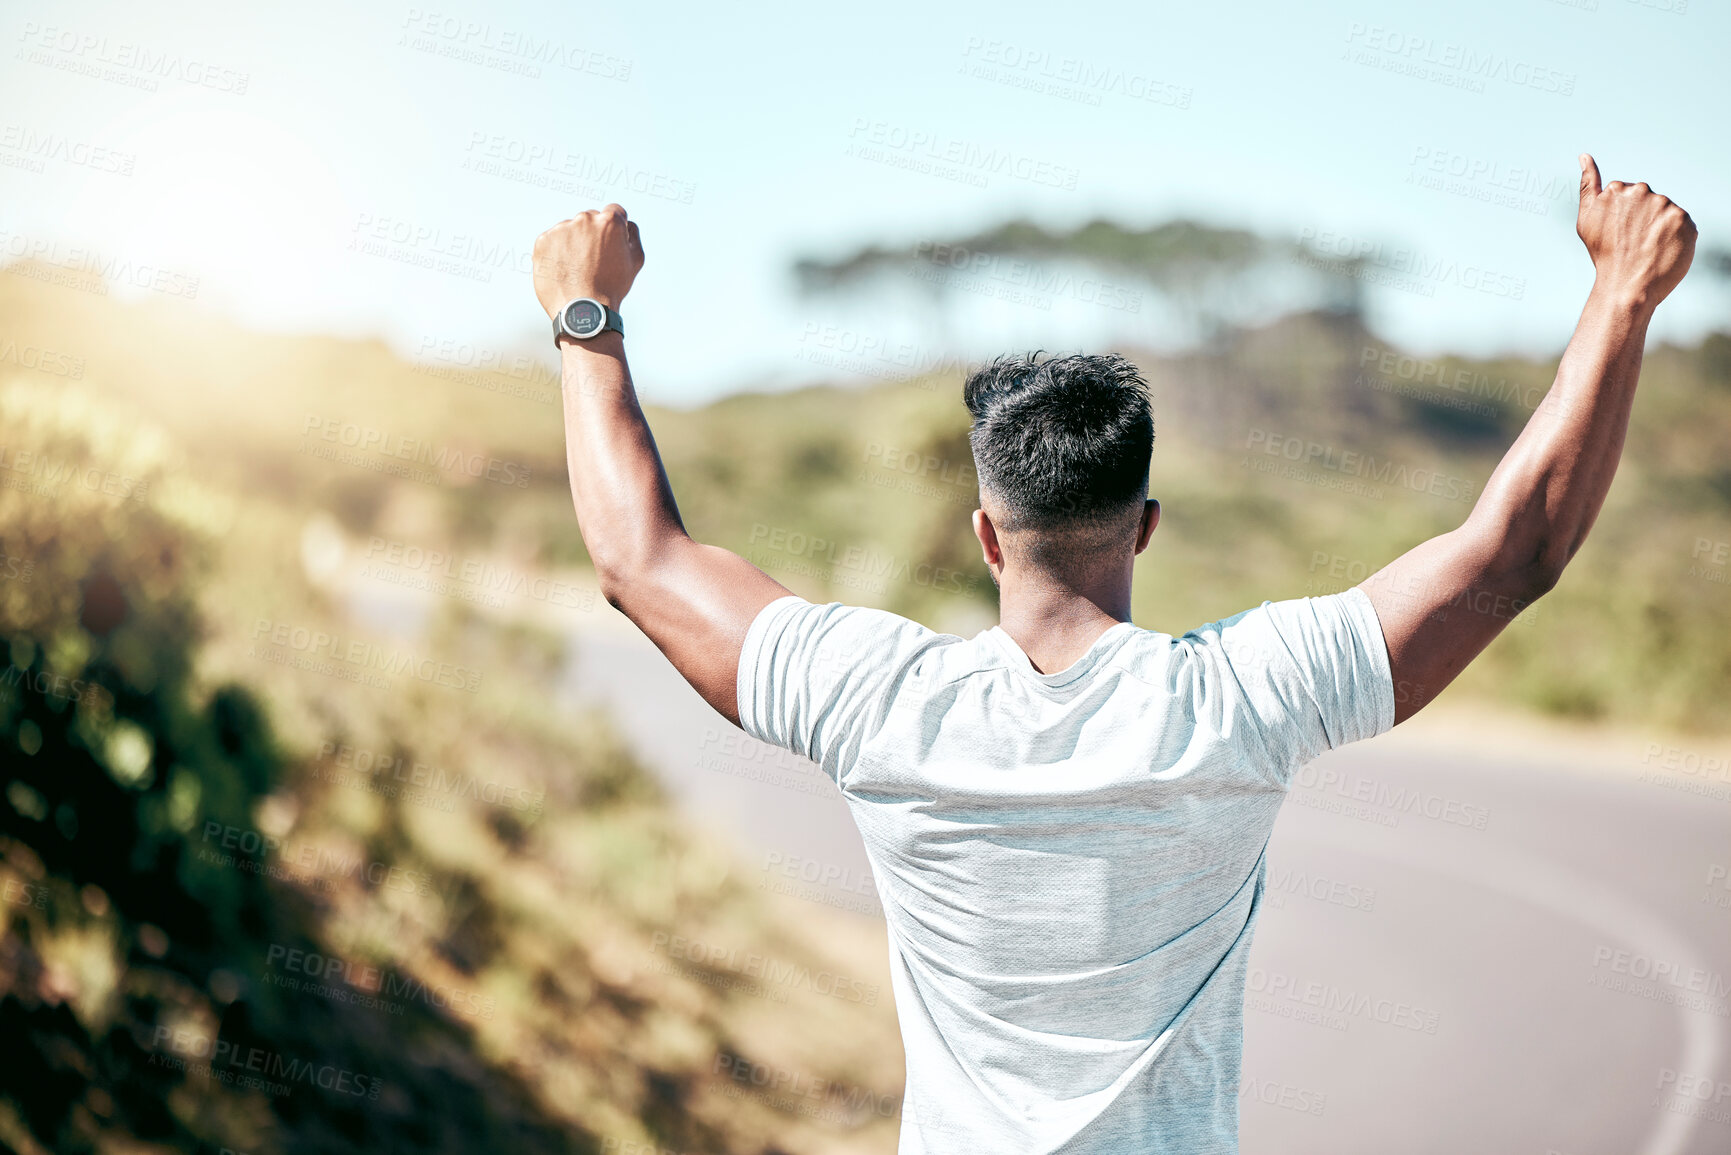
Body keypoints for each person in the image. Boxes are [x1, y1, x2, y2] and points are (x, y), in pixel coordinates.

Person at [529, 154, 1696, 1154]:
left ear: (985, 533)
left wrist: (589, 317)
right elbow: (1514, 552)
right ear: (1146, 524)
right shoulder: (1243, 698)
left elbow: (639, 562)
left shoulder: (879, 702)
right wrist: (1622, 296)